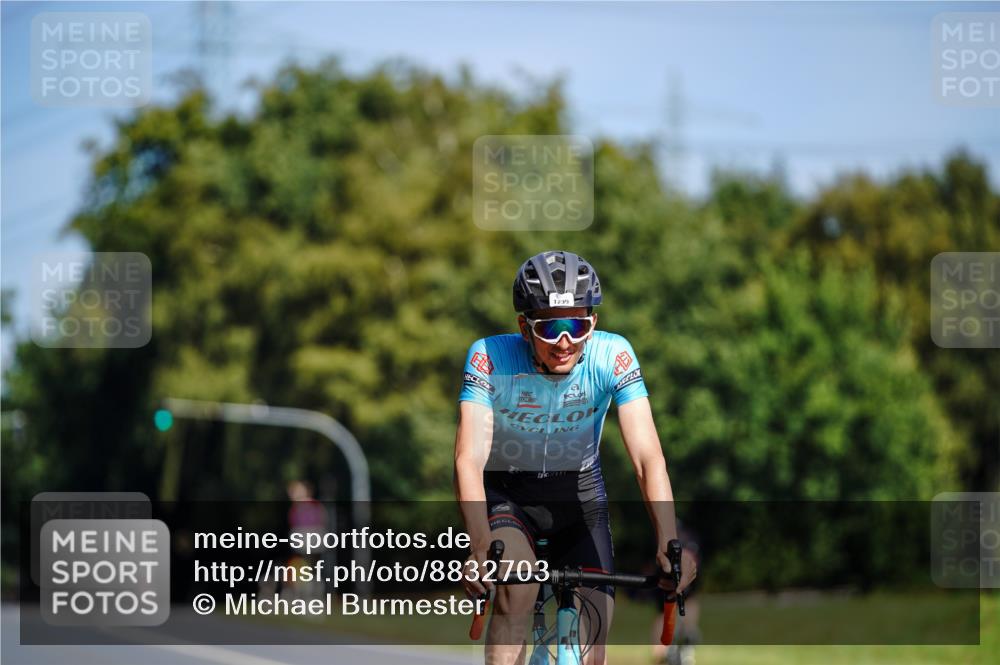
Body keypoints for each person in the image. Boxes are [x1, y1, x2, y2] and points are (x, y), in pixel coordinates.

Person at [454, 250, 696, 665]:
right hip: (509, 498)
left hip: (580, 497)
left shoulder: (613, 356)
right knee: (518, 590)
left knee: (594, 632)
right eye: (550, 327)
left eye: (577, 325)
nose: (564, 341)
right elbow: (468, 459)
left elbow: (647, 458)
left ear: (593, 323)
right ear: (524, 327)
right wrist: (479, 547)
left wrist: (668, 543)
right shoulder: (490, 357)